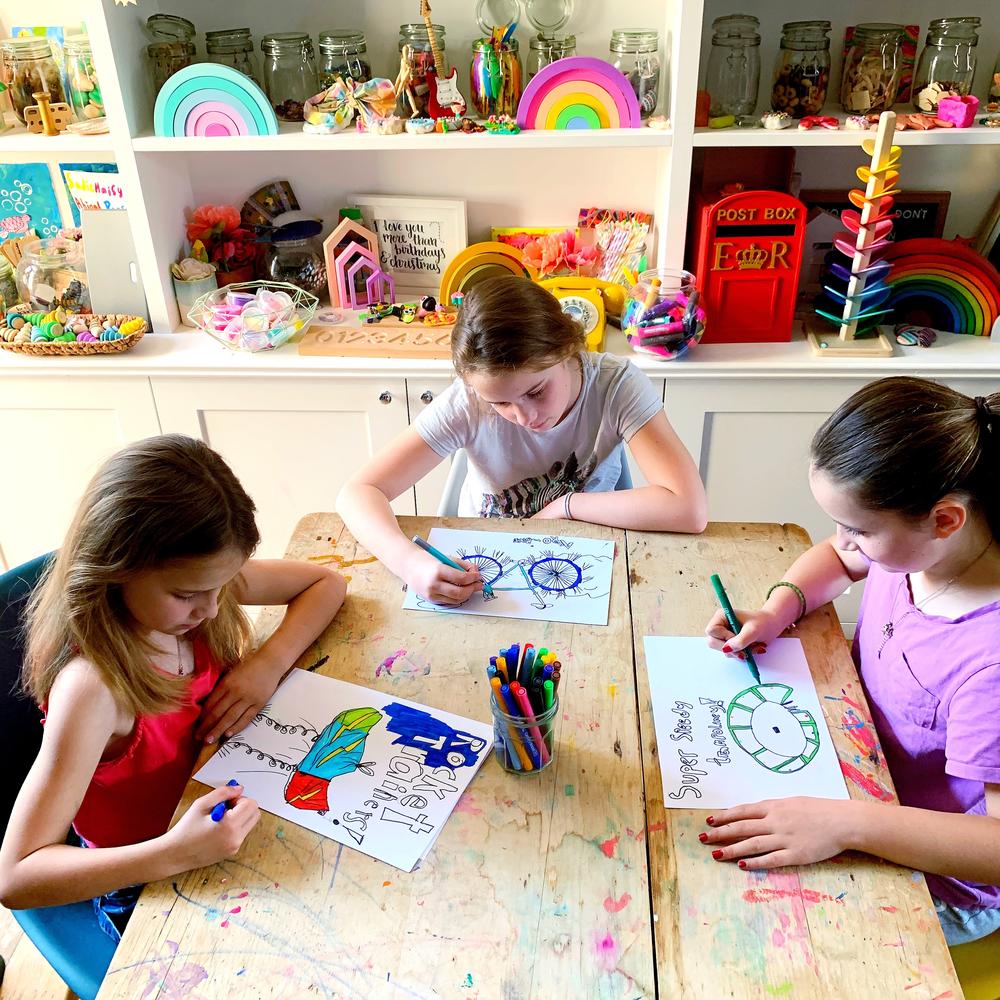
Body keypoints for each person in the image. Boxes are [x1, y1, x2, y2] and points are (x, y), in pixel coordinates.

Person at [0, 435, 346, 939]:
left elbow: (326, 583)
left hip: (219, 811)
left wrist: (267, 664)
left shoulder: (199, 588)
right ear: (115, 570)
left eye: (222, 585)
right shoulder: (93, 689)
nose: (212, 608)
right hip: (145, 879)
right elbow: (16, 877)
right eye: (187, 595)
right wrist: (174, 853)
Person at [703, 377, 1000, 945]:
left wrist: (846, 824)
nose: (843, 539)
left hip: (937, 878)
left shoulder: (990, 666)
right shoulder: (921, 550)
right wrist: (777, 610)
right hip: (851, 772)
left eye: (859, 529)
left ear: (945, 520)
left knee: (756, 931)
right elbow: (838, 560)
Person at [338, 276, 707, 605]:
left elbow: (689, 509)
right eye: (500, 403)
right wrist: (409, 563)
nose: (526, 417)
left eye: (536, 391)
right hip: (483, 571)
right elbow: (358, 492)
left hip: (584, 559)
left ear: (567, 348)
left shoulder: (616, 384)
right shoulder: (467, 401)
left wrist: (567, 506)